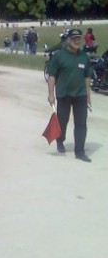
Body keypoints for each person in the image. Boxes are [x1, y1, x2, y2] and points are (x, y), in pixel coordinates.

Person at [46, 28, 92, 163]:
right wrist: (50, 94)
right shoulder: (59, 56)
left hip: (80, 95)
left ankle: (80, 151)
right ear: (68, 40)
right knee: (62, 121)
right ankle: (60, 140)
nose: (77, 41)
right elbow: (52, 76)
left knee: (81, 124)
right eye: (74, 38)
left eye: (79, 38)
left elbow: (87, 78)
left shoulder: (84, 57)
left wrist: (88, 96)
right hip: (63, 95)